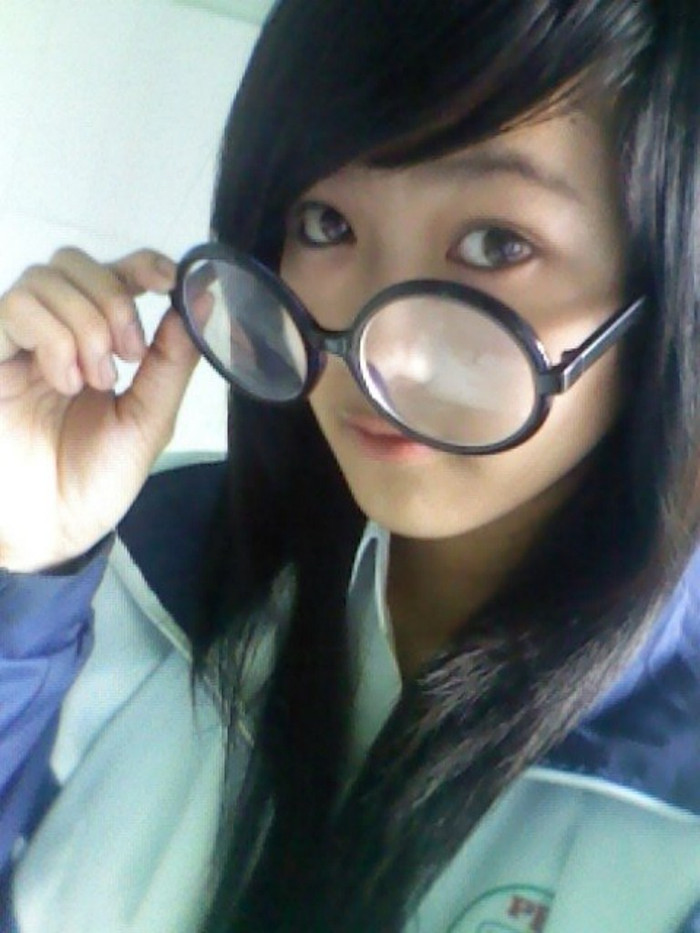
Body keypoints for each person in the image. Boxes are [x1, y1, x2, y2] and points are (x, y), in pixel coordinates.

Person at [2, 0, 700, 931]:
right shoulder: (142, 558)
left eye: (497, 244)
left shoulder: (674, 810)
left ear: (666, 288)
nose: (385, 358)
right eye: (327, 222)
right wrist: (30, 566)